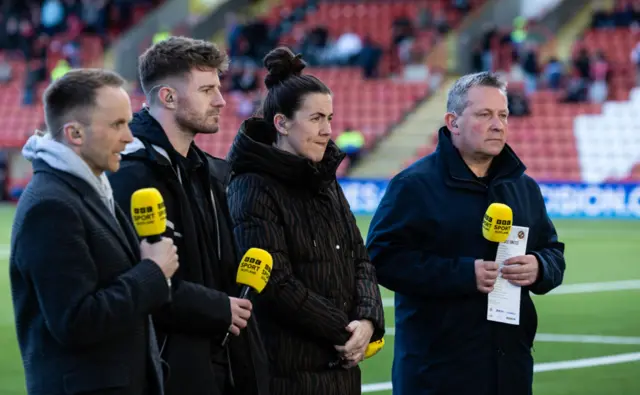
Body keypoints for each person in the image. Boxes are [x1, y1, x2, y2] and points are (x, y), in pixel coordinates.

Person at [366, 71, 566, 395]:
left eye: (502, 115)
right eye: (484, 114)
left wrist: (540, 267)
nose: (498, 124)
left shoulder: (524, 188)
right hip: (436, 374)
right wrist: (462, 274)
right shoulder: (413, 186)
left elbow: (553, 252)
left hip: (510, 372)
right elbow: (380, 257)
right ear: (453, 122)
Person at [107, 36, 269, 395]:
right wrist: (217, 307)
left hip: (220, 364)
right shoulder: (132, 173)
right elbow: (138, 281)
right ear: (168, 96)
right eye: (207, 89)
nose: (221, 100)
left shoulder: (209, 171)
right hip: (168, 369)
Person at [226, 47, 386, 395]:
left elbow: (361, 258)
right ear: (282, 123)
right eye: (316, 119)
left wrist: (369, 320)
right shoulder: (251, 185)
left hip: (341, 372)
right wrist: (345, 330)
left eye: (329, 118)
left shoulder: (325, 181)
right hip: (284, 375)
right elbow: (274, 282)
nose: (328, 130)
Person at [10, 68, 179, 395]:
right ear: (74, 134)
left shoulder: (90, 189)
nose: (130, 137)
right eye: (117, 124)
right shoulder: (51, 206)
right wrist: (153, 272)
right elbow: (75, 321)